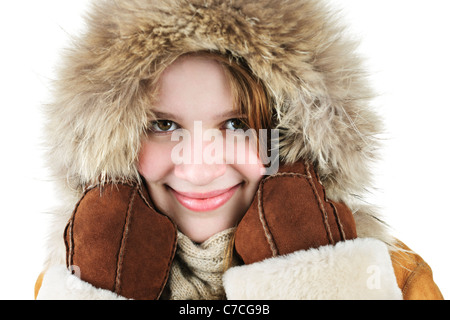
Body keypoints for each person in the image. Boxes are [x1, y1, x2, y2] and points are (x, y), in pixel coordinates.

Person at [35, 0, 443, 300]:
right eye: (163, 125)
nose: (198, 169)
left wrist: (327, 282)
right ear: (113, 140)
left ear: (290, 137)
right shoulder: (75, 277)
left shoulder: (387, 277)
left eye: (237, 125)